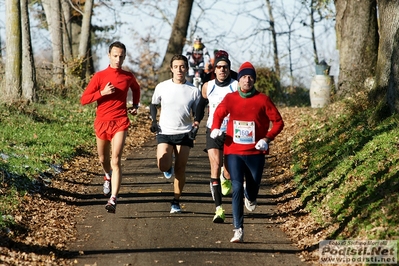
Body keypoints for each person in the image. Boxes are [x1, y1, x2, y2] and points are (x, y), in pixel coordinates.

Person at [210, 62, 284, 243]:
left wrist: (266, 139)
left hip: (255, 152)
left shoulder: (263, 100)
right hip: (233, 150)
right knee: (236, 187)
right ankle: (238, 229)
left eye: (250, 77)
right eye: (243, 76)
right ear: (239, 79)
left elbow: (279, 122)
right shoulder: (230, 98)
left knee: (252, 187)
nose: (247, 80)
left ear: (254, 80)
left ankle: (250, 196)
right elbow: (218, 114)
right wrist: (215, 129)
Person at [80, 41, 141, 214]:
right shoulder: (99, 76)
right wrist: (102, 93)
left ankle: (113, 199)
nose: (118, 59)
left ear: (124, 56)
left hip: (120, 120)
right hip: (102, 122)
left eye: (121, 56)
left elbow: (136, 89)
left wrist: (135, 105)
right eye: (115, 55)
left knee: (116, 159)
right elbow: (84, 99)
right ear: (109, 55)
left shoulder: (128, 76)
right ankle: (107, 175)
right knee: (102, 159)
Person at [150, 54, 201, 214]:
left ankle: (176, 201)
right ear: (171, 69)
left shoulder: (193, 90)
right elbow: (153, 104)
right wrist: (153, 121)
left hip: (184, 133)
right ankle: (167, 168)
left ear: (186, 68)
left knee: (181, 168)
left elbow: (198, 112)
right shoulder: (162, 87)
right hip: (165, 131)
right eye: (176, 67)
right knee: (162, 164)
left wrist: (196, 126)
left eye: (182, 66)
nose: (179, 70)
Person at [193, 51, 238, 223]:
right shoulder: (208, 86)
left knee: (228, 171)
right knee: (215, 164)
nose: (222, 70)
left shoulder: (236, 86)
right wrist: (196, 123)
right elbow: (201, 105)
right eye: (219, 67)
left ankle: (225, 177)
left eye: (225, 67)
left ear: (229, 69)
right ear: (215, 70)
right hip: (213, 129)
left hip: (232, 132)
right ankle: (219, 209)